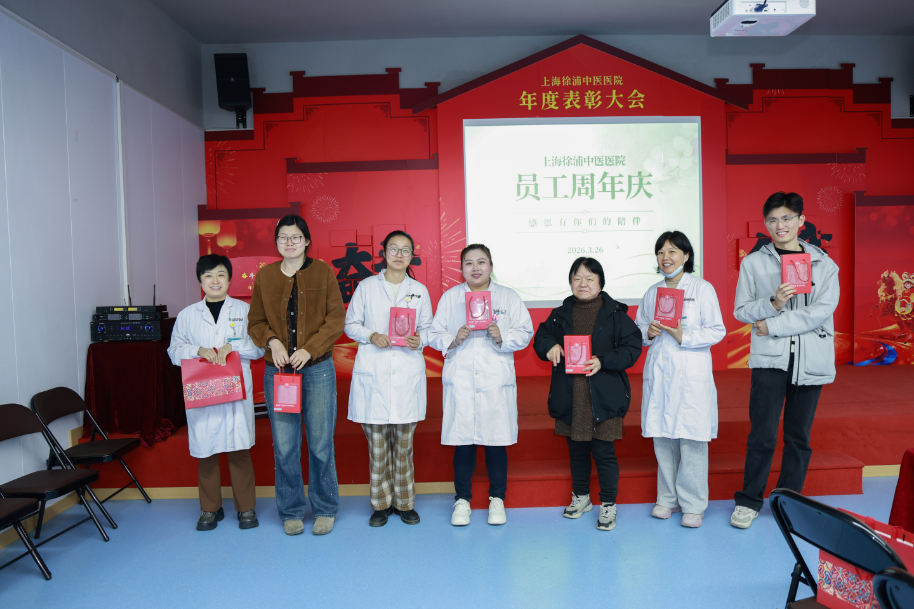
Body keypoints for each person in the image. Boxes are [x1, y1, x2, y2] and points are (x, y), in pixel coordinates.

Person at [731, 192, 839, 529]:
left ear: (801, 221)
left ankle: (788, 501)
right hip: (770, 360)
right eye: (773, 219)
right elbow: (741, 311)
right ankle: (748, 501)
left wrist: (774, 324)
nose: (781, 225)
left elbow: (821, 311)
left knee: (798, 437)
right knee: (761, 434)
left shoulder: (823, 263)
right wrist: (773, 303)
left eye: (787, 218)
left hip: (810, 359)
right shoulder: (753, 263)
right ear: (766, 223)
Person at [248, 215, 346, 536]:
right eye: (283, 238)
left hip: (317, 370)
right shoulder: (265, 276)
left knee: (320, 443)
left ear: (307, 241)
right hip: (279, 373)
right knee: (285, 445)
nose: (289, 243)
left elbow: (336, 319)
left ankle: (325, 508)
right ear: (276, 243)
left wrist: (310, 349)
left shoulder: (323, 272)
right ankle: (291, 510)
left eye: (295, 237)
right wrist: (272, 341)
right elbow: (255, 321)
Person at [533, 257, 642, 531]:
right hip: (570, 395)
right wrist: (550, 347)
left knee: (604, 453)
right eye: (577, 278)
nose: (583, 283)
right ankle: (581, 496)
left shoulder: (616, 314)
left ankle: (608, 504)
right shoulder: (560, 314)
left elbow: (632, 348)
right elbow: (541, 338)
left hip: (604, 396)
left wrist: (603, 361)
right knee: (577, 451)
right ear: (570, 282)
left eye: (589, 278)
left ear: (601, 283)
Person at [429, 244, 533, 527]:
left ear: (491, 266)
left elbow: (526, 331)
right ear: (461, 268)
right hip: (462, 378)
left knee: (496, 442)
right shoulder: (451, 298)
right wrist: (454, 338)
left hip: (494, 380)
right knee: (464, 444)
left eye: (481, 262)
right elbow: (434, 333)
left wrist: (502, 336)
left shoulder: (508, 297)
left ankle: (497, 499)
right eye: (469, 263)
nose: (475, 268)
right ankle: (462, 500)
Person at [168, 255, 265, 531]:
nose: (215, 281)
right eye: (208, 275)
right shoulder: (188, 315)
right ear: (200, 280)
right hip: (203, 391)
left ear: (229, 279)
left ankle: (246, 508)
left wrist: (233, 347)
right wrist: (197, 350)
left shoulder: (245, 310)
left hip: (235, 388)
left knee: (239, 449)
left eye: (221, 274)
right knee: (206, 450)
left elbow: (259, 349)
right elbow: (174, 351)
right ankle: (210, 509)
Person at [635, 232, 725, 529]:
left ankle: (693, 504)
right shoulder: (652, 292)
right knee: (662, 438)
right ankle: (667, 498)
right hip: (660, 371)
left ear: (686, 256)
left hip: (690, 371)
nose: (666, 257)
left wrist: (683, 335)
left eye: (673, 251)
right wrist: (647, 333)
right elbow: (638, 330)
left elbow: (716, 330)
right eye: (661, 252)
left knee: (691, 439)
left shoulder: (701, 288)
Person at [344, 230, 433, 527]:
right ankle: (381, 505)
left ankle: (405, 503)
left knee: (404, 447)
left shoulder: (419, 290)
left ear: (412, 256)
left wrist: (419, 339)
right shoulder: (367, 287)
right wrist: (372, 335)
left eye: (405, 250)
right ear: (383, 253)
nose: (399, 254)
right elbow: (350, 324)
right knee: (378, 448)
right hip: (375, 374)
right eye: (393, 248)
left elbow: (428, 328)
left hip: (406, 372)